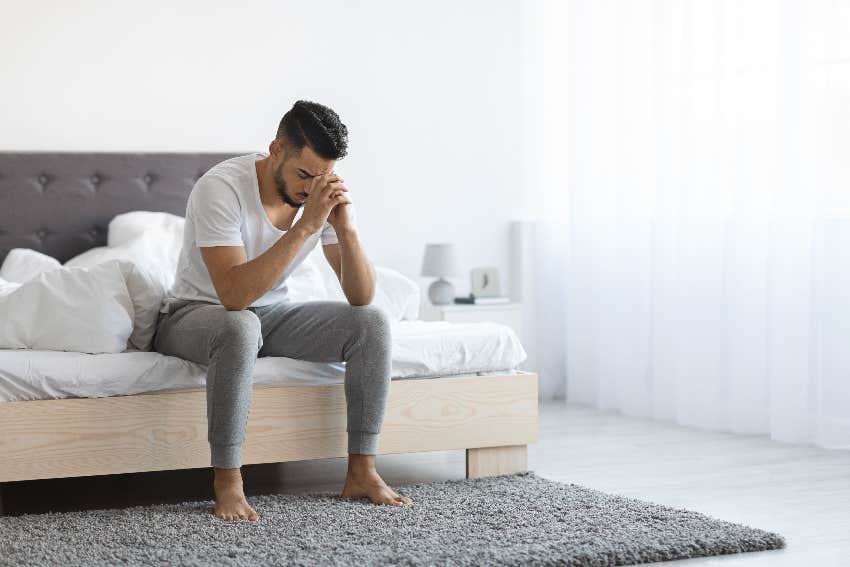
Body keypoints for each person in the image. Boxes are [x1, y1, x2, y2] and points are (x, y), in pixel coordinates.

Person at [153, 99, 412, 522]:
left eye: (322, 176)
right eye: (304, 174)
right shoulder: (220, 187)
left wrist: (344, 228)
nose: (312, 187)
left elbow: (361, 296)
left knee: (372, 322)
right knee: (238, 327)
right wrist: (309, 224)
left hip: (269, 316)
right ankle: (228, 483)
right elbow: (233, 296)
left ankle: (362, 471)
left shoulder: (319, 193)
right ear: (275, 151)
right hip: (196, 313)